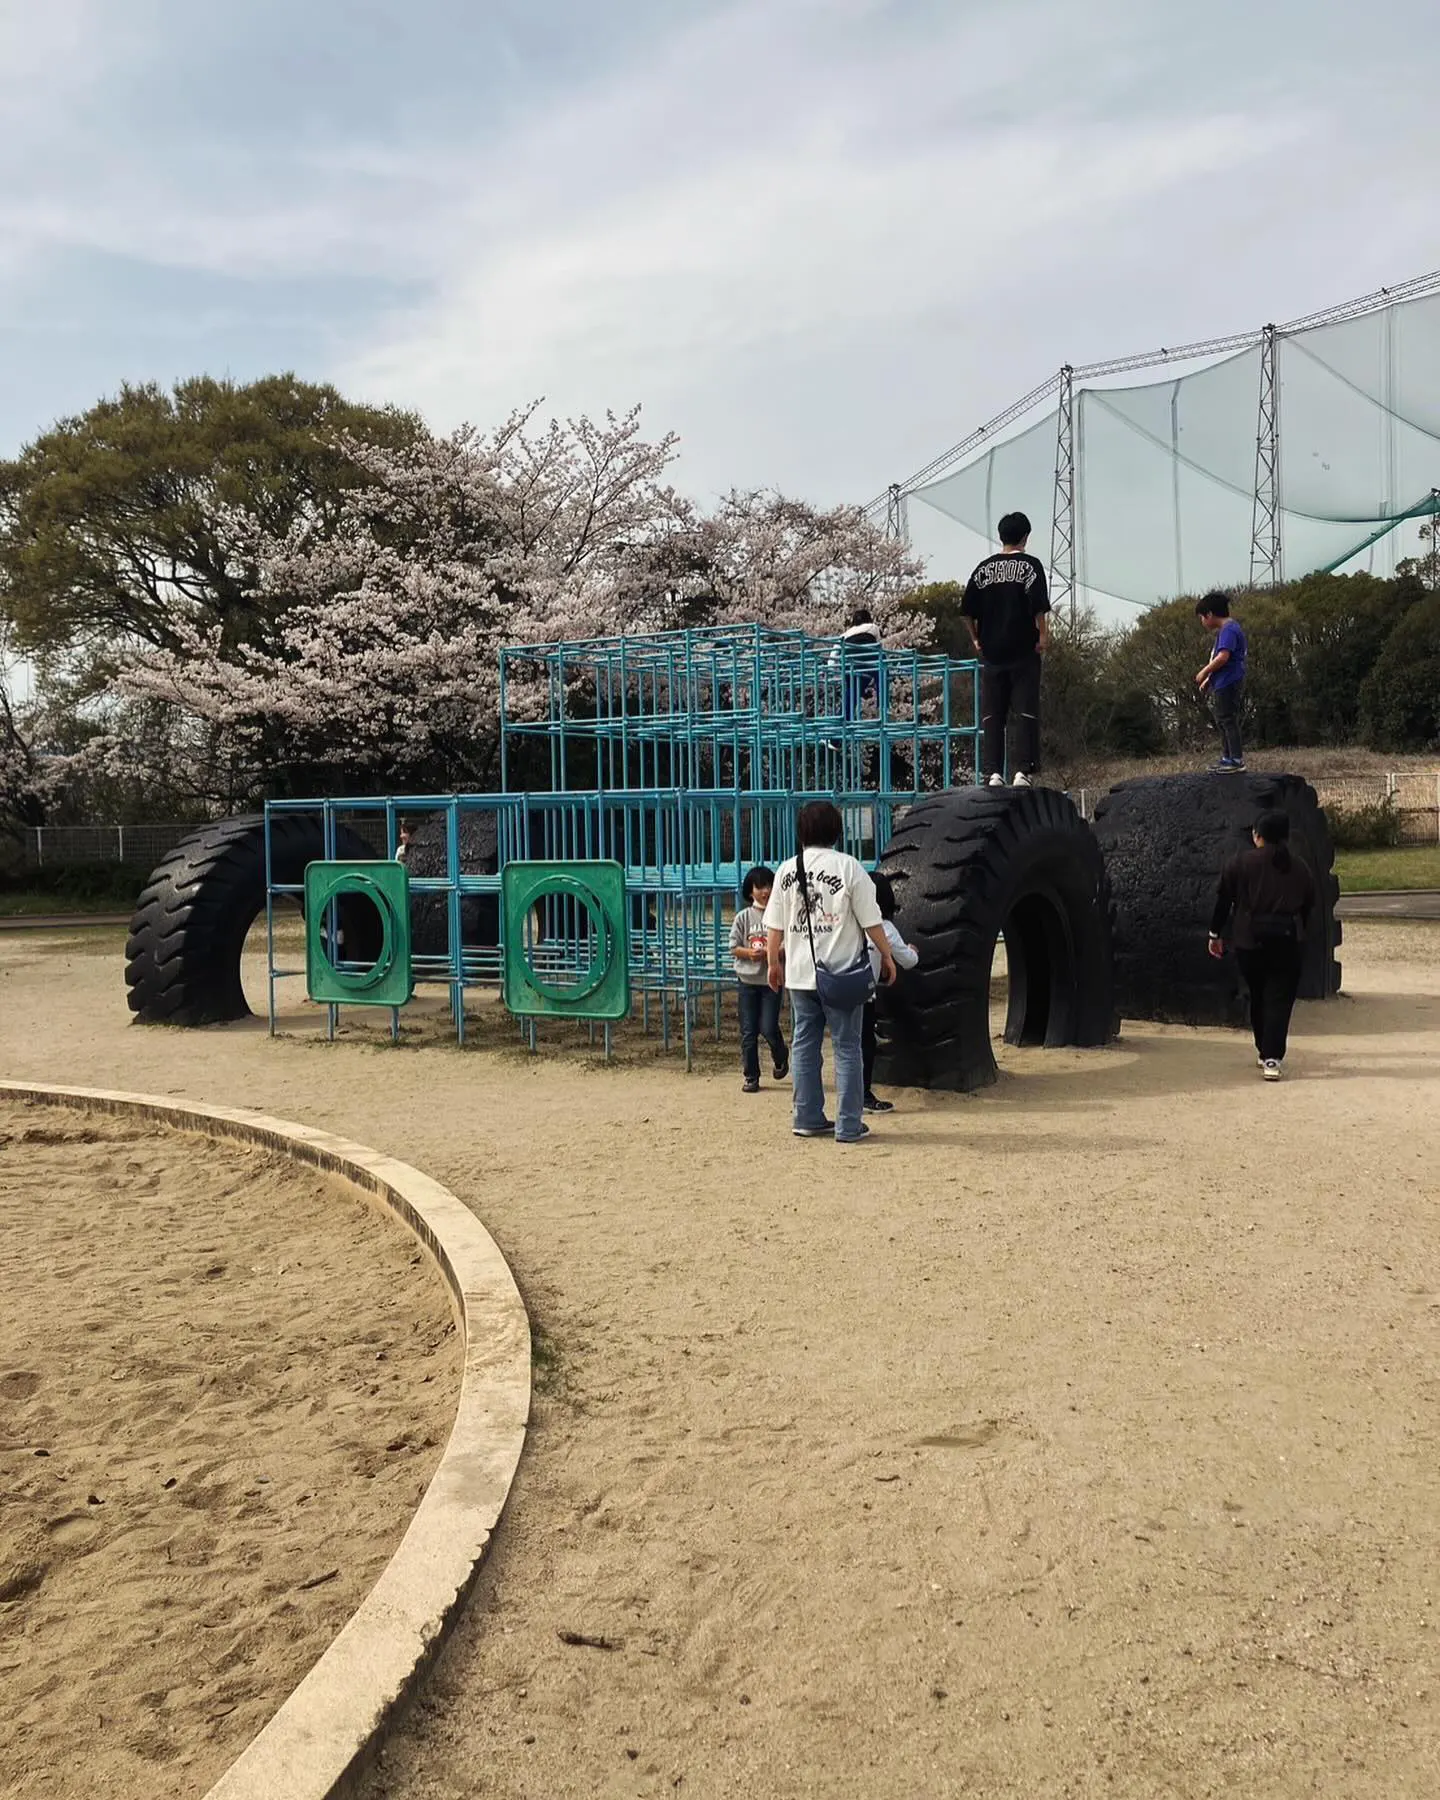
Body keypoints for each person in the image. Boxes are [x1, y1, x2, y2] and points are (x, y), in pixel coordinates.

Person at [764, 801, 897, 1144]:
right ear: (838, 831)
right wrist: (887, 956)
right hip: (842, 975)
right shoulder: (850, 868)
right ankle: (848, 1123)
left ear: (801, 833)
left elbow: (774, 927)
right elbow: (872, 921)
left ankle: (807, 1115)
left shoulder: (786, 870)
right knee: (848, 1047)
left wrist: (772, 963)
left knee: (805, 1045)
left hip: (799, 974)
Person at [1208, 810, 1315, 1080]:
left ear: (1257, 835)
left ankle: (1262, 1049)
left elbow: (1223, 901)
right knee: (1279, 999)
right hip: (1286, 940)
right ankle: (1272, 1057)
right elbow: (1308, 905)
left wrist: (1214, 934)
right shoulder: (1300, 867)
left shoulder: (1240, 863)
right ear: (1286, 836)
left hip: (1248, 939)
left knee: (1257, 995)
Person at [961, 511, 1051, 787]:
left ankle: (993, 773)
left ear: (1001, 536)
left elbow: (966, 611)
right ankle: (1023, 771)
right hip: (1024, 649)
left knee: (993, 713)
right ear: (1025, 537)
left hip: (992, 652)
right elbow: (1038, 607)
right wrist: (1043, 636)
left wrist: (976, 639)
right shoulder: (1031, 565)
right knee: (1025, 709)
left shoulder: (983, 568)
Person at [861, 870, 919, 1114]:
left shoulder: (847, 922)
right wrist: (912, 949)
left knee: (844, 1045)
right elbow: (909, 961)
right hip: (863, 993)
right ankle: (863, 1095)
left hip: (832, 987)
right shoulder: (884, 927)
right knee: (863, 1046)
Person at [729, 865, 789, 1093]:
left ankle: (780, 1054)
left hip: (771, 980)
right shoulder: (743, 917)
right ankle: (751, 1076)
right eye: (759, 886)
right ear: (750, 890)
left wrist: (773, 953)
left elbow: (788, 943)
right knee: (748, 1030)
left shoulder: (781, 916)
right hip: (747, 981)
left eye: (768, 886)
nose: (765, 891)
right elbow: (733, 946)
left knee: (768, 1026)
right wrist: (749, 953)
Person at [1195, 593, 1248, 772]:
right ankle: (1227, 757)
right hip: (1221, 681)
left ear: (1209, 614)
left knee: (1228, 719)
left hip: (1229, 681)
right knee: (1222, 719)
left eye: (1202, 617)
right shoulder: (1226, 630)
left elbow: (1223, 658)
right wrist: (1209, 680)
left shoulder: (1229, 630)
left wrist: (1204, 671)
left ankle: (1236, 759)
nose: (1202, 622)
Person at [831, 606, 884, 722]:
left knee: (852, 691)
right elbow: (879, 646)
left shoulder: (844, 634)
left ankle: (843, 719)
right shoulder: (873, 627)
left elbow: (833, 655)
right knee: (883, 670)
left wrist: (834, 672)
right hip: (867, 662)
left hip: (849, 665)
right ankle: (882, 703)